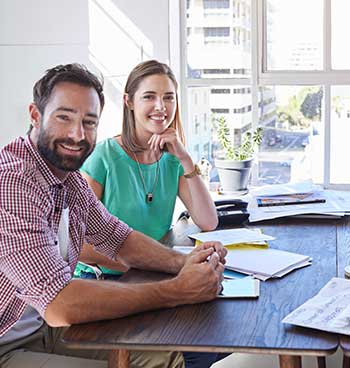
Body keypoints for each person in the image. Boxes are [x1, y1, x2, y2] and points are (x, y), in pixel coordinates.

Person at [0, 63, 227, 368]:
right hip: (9, 342)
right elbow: (59, 303)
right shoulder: (14, 182)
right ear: (35, 115)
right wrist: (177, 290)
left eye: (89, 122)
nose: (77, 134)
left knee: (166, 359)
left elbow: (119, 238)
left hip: (43, 327)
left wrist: (187, 262)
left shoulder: (68, 179)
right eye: (64, 117)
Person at [75, 59, 218, 280]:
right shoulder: (103, 157)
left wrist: (186, 159)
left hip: (153, 272)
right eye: (149, 96)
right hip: (105, 278)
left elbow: (208, 221)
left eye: (168, 97)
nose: (161, 107)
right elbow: (78, 243)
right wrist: (144, 264)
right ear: (129, 101)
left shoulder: (173, 159)